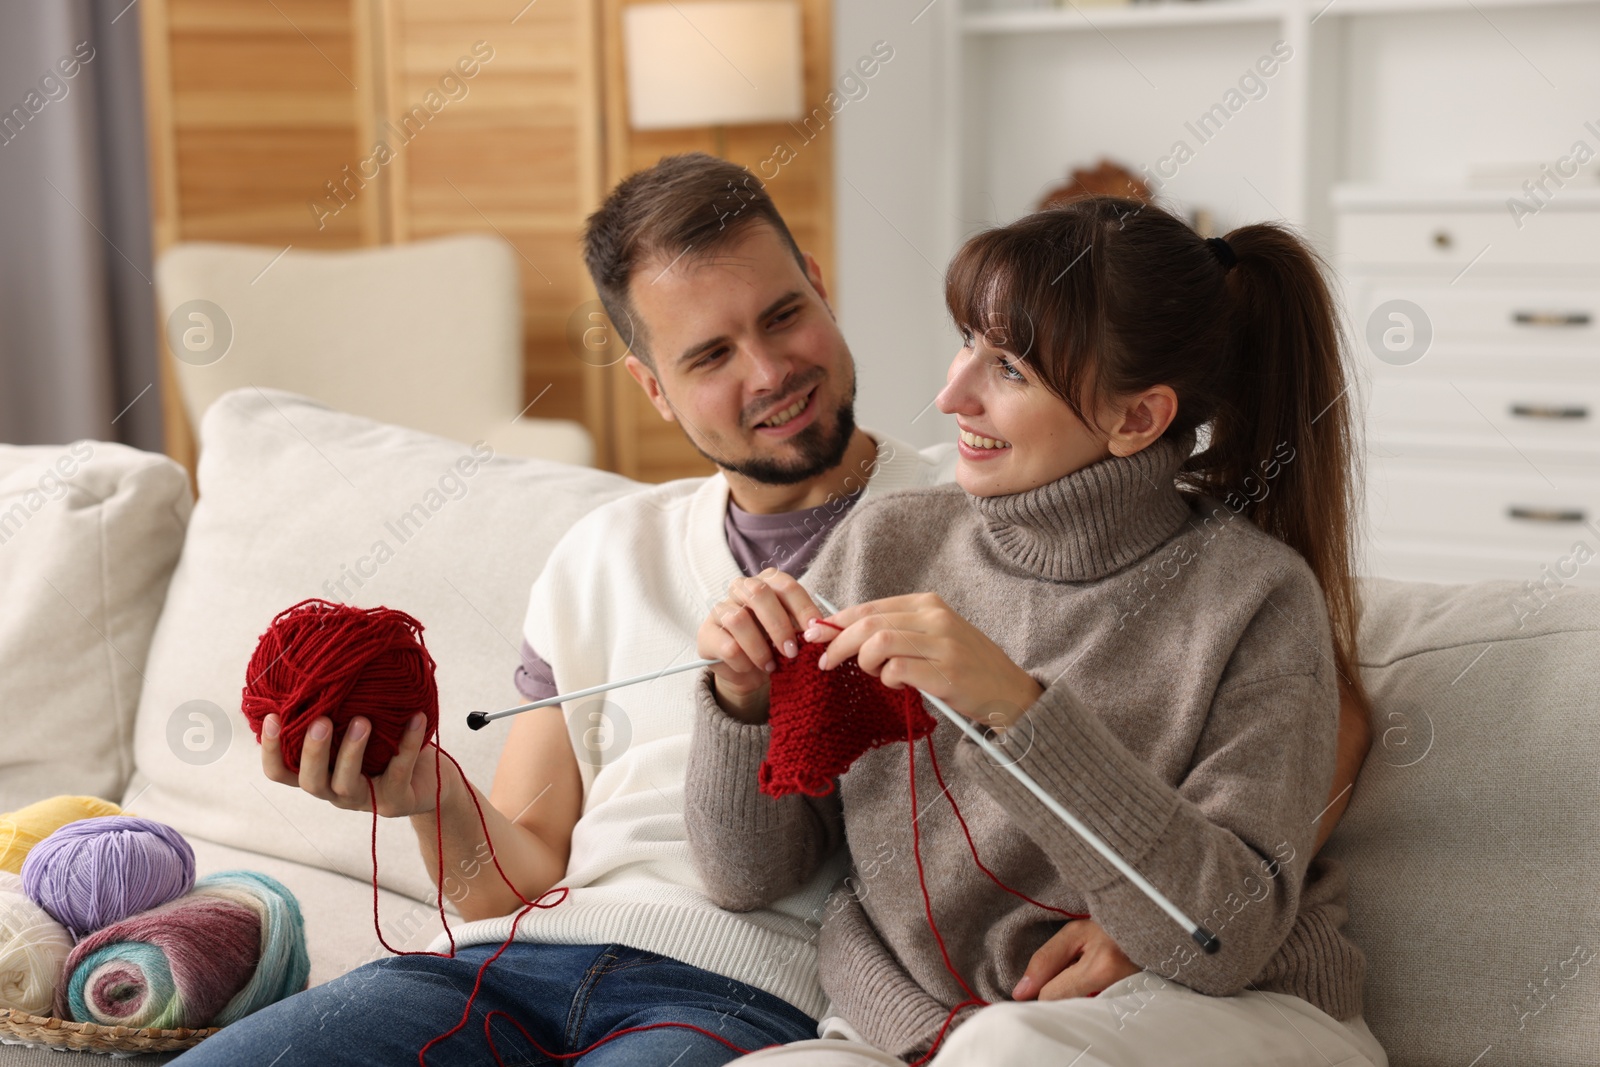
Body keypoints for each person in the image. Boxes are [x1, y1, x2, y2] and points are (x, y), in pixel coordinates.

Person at [171, 159, 1370, 1066]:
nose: (767, 372)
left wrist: (1136, 926)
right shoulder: (605, 552)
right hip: (512, 961)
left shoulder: (969, 498)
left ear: (822, 290)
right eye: (709, 355)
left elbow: (1313, 723)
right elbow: (522, 873)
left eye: (783, 315)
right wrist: (428, 794)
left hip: (747, 993)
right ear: (650, 384)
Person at [685, 198, 1388, 1066]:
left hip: (1222, 1012)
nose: (951, 395)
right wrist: (742, 700)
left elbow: (1226, 936)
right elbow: (748, 875)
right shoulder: (886, 543)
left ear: (1138, 418)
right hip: (930, 1029)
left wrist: (1016, 710)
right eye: (967, 343)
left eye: (1010, 369)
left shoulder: (1254, 596)